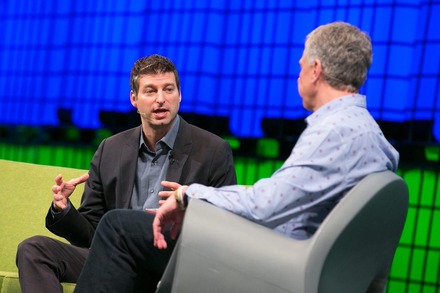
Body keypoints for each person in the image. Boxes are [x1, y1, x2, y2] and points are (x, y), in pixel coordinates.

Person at [73, 21, 400, 292]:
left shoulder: (333, 132)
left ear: (315, 70)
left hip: (277, 260)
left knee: (118, 226)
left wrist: (188, 194)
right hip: (306, 260)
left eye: (301, 66)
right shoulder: (368, 133)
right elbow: (277, 198)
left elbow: (264, 206)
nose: (298, 74)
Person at [15, 54, 237, 293]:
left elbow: (224, 226)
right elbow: (92, 234)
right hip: (116, 259)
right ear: (134, 99)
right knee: (33, 249)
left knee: (117, 221)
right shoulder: (110, 149)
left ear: (180, 95)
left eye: (169, 89)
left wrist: (187, 209)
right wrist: (64, 210)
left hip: (173, 261)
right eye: (150, 91)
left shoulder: (213, 150)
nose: (161, 99)